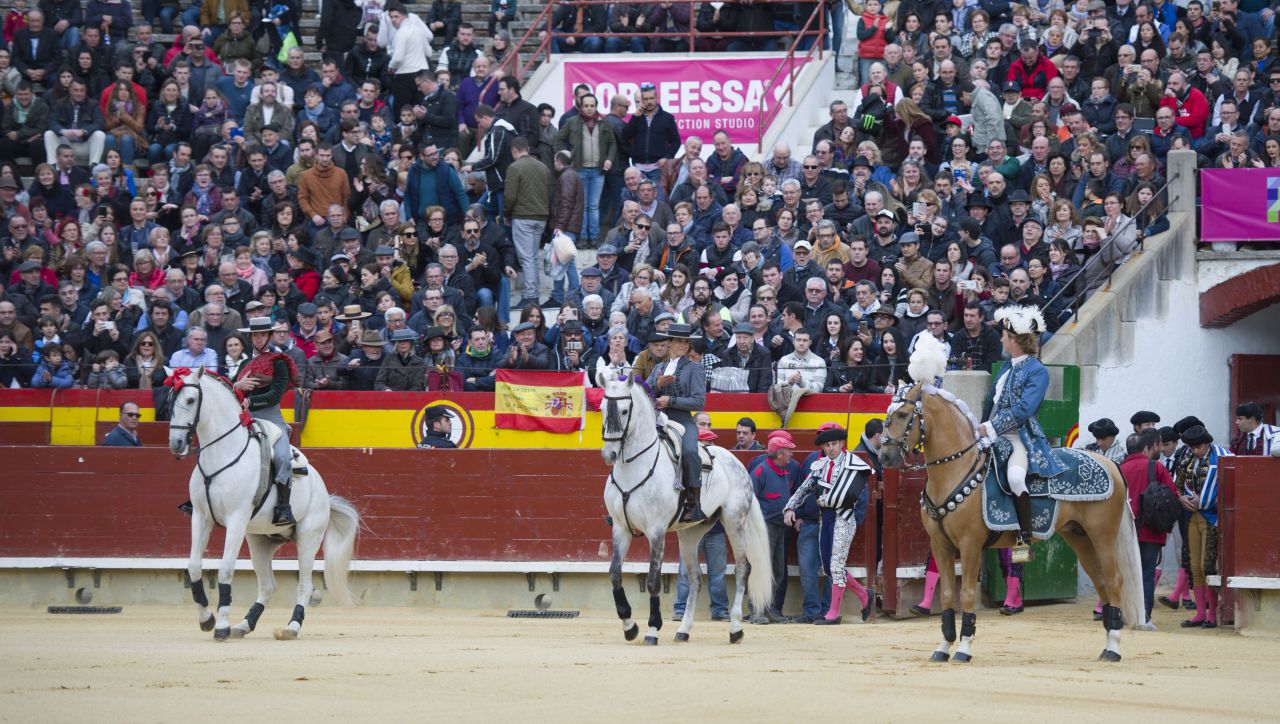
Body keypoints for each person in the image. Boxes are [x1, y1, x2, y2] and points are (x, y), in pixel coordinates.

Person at [977, 304, 1066, 563]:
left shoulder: (1037, 370)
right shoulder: (1006, 368)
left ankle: (1023, 539)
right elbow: (990, 405)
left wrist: (991, 427)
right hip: (992, 435)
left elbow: (1025, 409)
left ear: (1014, 338)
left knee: (1016, 478)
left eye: (1004, 335)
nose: (1001, 339)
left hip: (1019, 437)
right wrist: (981, 427)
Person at [784, 426, 875, 625]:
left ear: (842, 444)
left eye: (834, 444)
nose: (831, 448)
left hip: (844, 517)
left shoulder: (854, 464)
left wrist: (828, 502)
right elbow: (805, 488)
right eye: (827, 445)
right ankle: (864, 594)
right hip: (825, 519)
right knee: (828, 567)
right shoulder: (820, 465)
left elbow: (856, 495)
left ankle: (832, 614)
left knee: (835, 566)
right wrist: (790, 508)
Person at [232, 316, 302, 526]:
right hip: (245, 419)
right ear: (251, 337)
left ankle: (283, 506)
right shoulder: (244, 363)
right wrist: (238, 385)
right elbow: (231, 393)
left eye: (263, 334)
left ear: (270, 336)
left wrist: (250, 402)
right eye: (255, 335)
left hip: (271, 418)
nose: (259, 339)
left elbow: (275, 395)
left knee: (281, 456)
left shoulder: (279, 362)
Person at [645, 324, 707, 522]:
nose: (683, 344)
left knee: (689, 452)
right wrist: (657, 386)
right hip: (656, 419)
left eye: (685, 341)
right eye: (678, 341)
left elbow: (699, 401)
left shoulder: (694, 368)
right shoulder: (658, 368)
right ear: (669, 343)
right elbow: (644, 395)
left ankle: (693, 502)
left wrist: (669, 400)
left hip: (681, 419)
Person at [1120, 428, 1179, 629]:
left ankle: (1124, 615)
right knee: (1146, 573)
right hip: (1151, 530)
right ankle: (1143, 617)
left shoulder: (1119, 469)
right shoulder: (1157, 468)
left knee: (1125, 574)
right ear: (1147, 447)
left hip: (1124, 531)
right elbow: (1172, 496)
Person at [1173, 424, 1230, 629]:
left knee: (1208, 566)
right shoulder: (1188, 458)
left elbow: (1228, 488)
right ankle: (1199, 613)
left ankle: (1212, 614)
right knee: (1195, 565)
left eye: (1198, 447)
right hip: (1193, 516)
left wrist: (1205, 501)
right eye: (1192, 447)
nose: (1195, 451)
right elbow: (1177, 484)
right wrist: (1181, 498)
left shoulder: (1223, 457)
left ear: (1207, 443)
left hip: (1212, 518)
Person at [749, 430, 798, 624]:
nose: (792, 454)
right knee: (762, 568)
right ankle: (756, 611)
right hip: (764, 527)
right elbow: (750, 500)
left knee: (777, 569)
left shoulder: (782, 470)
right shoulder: (761, 471)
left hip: (779, 527)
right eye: (789, 451)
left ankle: (768, 608)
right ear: (779, 454)